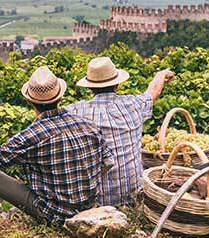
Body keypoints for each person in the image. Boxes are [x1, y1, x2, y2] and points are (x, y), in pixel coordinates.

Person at [0, 66, 114, 227]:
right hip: (88, 210)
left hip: (53, 214)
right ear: (60, 97)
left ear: (29, 101)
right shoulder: (88, 125)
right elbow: (108, 162)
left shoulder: (31, 135)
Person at [66, 57, 174, 207]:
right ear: (117, 84)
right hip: (134, 195)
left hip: (98, 201)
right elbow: (153, 90)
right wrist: (161, 75)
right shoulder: (133, 104)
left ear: (89, 87)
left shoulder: (75, 111)